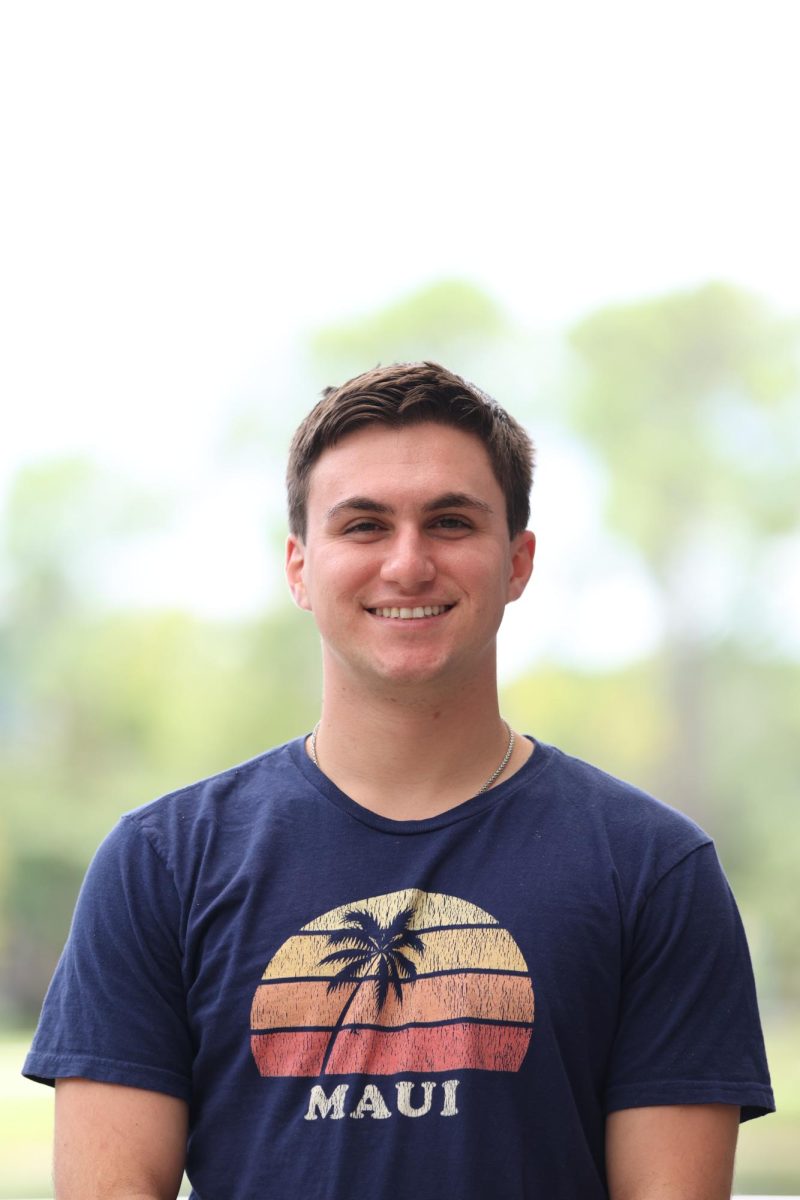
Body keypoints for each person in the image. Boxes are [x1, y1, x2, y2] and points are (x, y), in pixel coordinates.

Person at [24, 361, 773, 1199]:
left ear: (518, 562)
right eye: (365, 526)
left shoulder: (651, 868)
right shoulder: (161, 863)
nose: (408, 565)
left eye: (450, 522)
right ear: (300, 568)